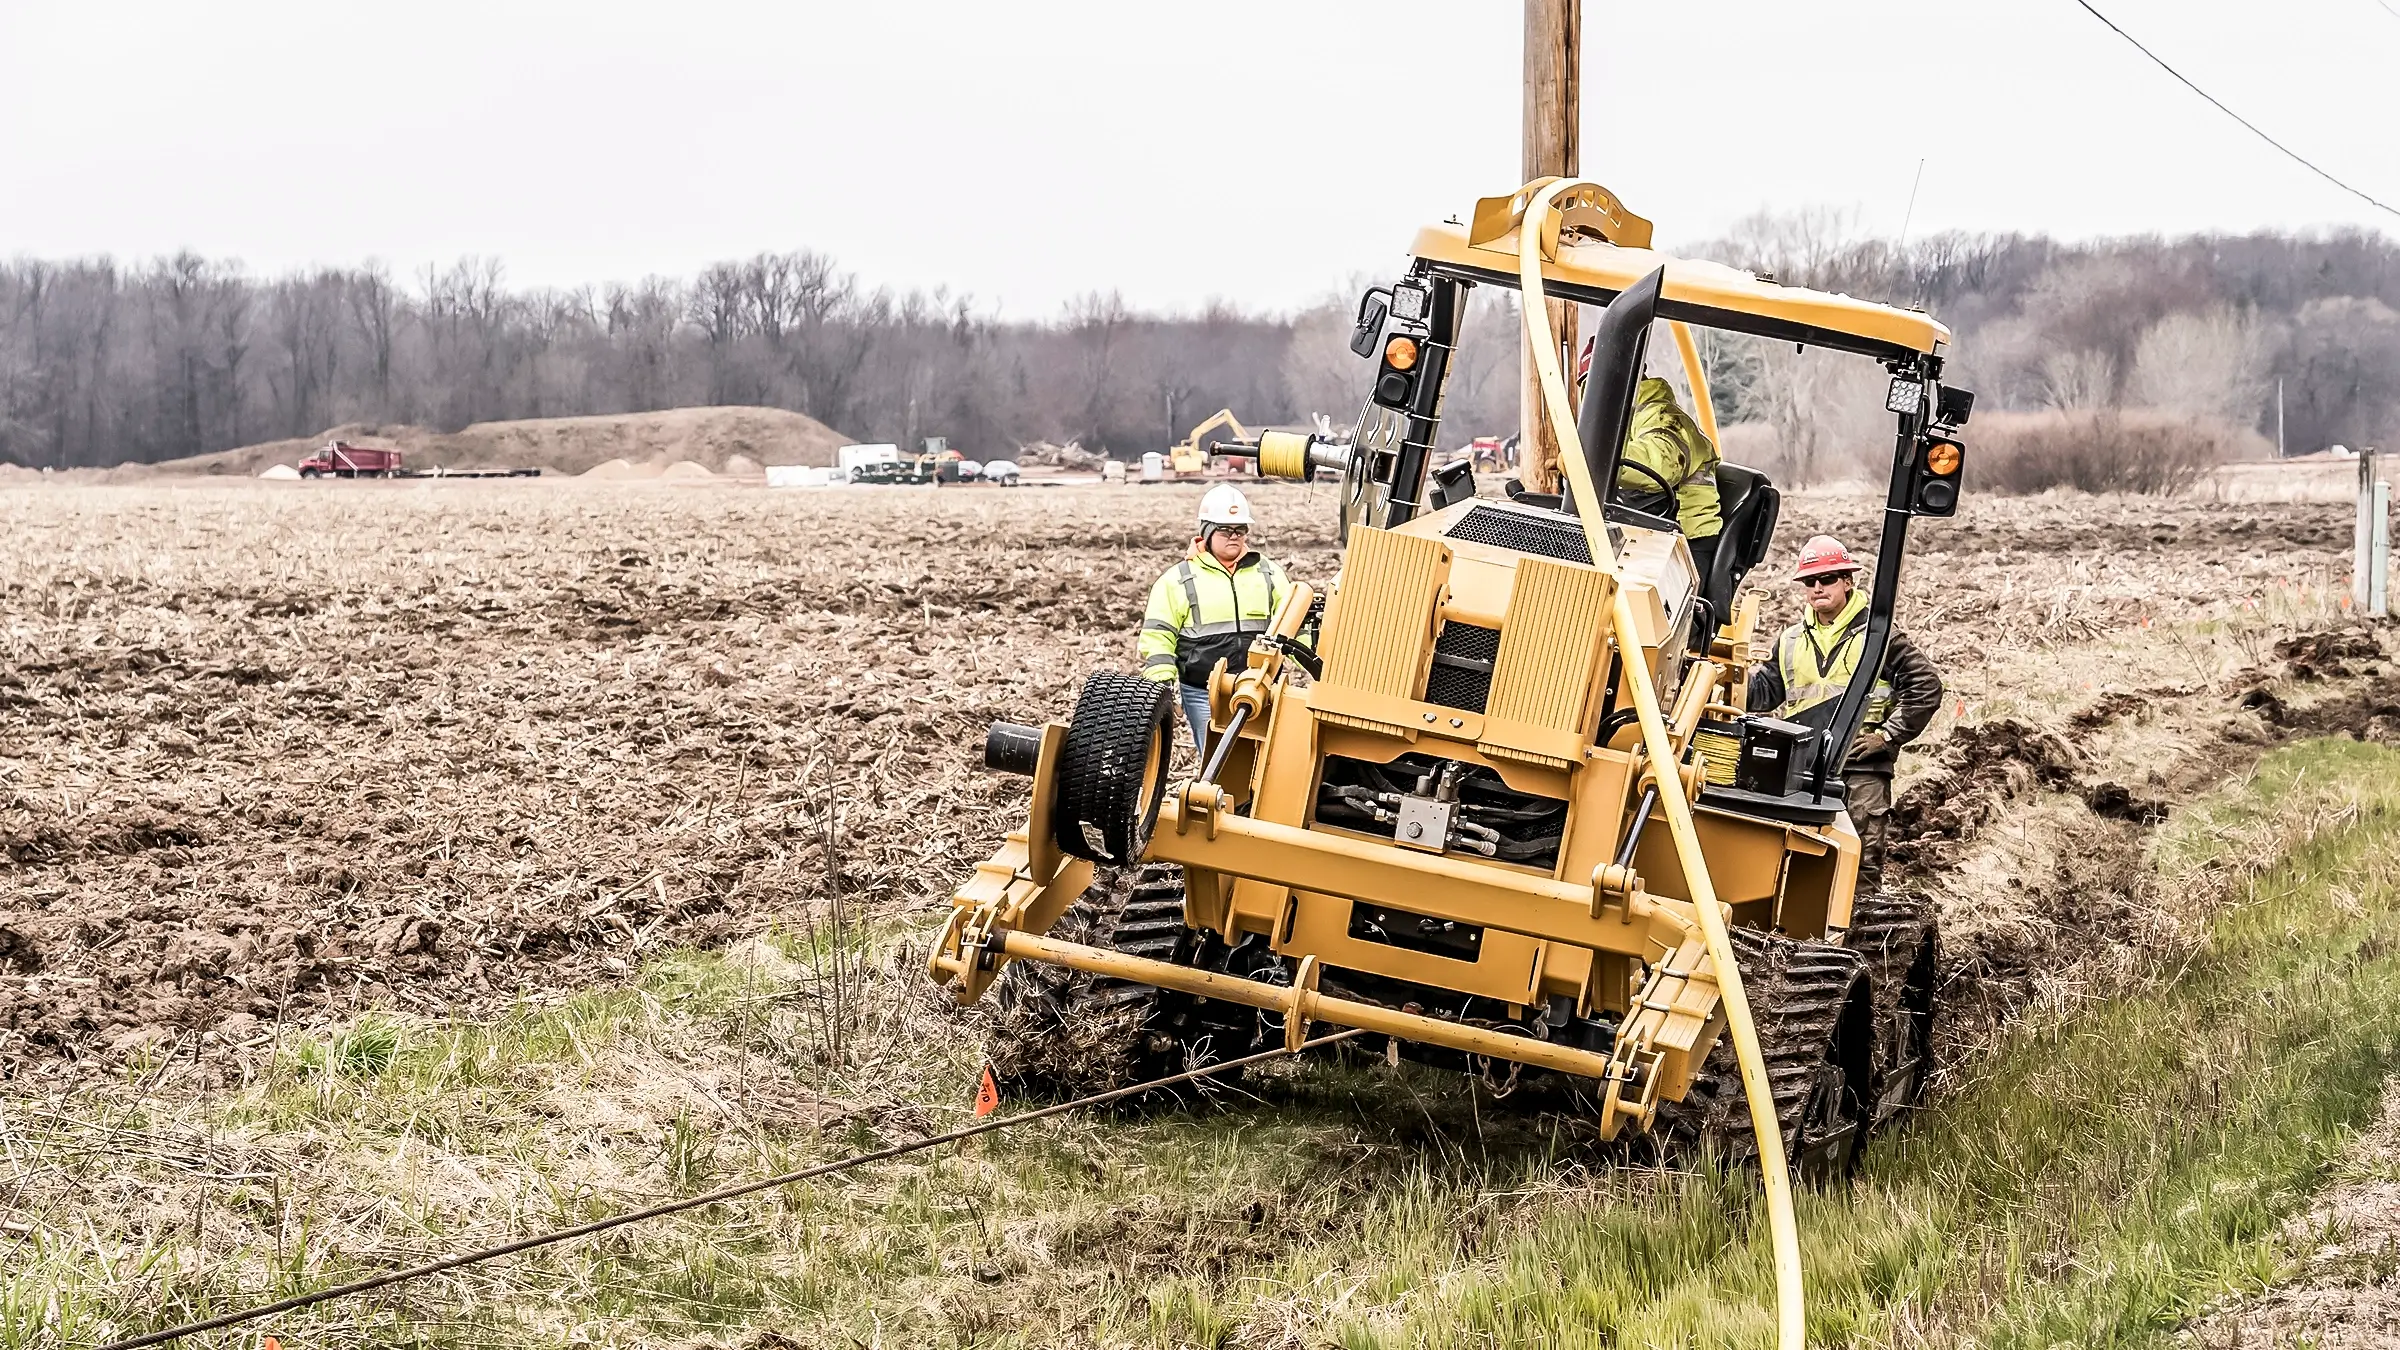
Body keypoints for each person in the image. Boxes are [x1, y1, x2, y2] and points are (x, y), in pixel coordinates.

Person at [1746, 534, 1944, 891]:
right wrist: (1726, 677)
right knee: (1795, 858)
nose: (1817, 587)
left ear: (1847, 581)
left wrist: (1886, 737)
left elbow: (1926, 688)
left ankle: (1858, 938)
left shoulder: (1880, 637)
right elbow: (1765, 692)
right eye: (1809, 581)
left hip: (1861, 766)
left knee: (1861, 863)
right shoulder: (1790, 640)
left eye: (1827, 579)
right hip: (1803, 768)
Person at [1139, 485, 1295, 757]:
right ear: (1207, 533)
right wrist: (1163, 682)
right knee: (1216, 761)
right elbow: (1158, 636)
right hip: (1203, 693)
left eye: (1240, 530)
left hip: (1261, 687)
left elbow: (1294, 621)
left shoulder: (1269, 573)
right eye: (1225, 530)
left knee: (1265, 761)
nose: (1234, 537)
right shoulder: (1178, 580)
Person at [1618, 374, 1723, 579]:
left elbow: (1658, 465)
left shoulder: (1667, 419)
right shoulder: (1624, 421)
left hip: (1687, 542)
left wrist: (1591, 458)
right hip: (1648, 535)